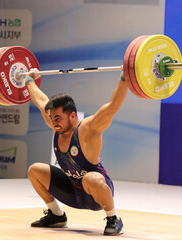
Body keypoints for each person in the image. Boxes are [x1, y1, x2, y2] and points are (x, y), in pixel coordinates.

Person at [24, 68, 127, 236]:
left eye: (58, 118)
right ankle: (56, 215)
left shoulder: (88, 128)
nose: (53, 122)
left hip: (96, 193)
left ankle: (113, 218)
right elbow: (42, 102)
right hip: (73, 191)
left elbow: (112, 106)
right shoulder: (56, 124)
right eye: (51, 118)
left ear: (72, 116)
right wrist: (29, 81)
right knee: (35, 170)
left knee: (90, 178)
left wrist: (125, 77)